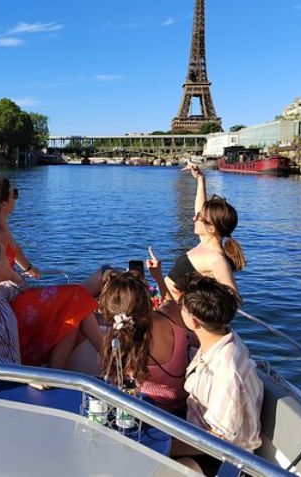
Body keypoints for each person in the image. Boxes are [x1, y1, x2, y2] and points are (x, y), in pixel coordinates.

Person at [0, 175, 104, 367]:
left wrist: (27, 267)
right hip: (8, 302)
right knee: (75, 297)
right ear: (3, 204)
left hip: (11, 295)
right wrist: (19, 274)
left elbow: (15, 249)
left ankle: (57, 372)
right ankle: (109, 356)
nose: (16, 199)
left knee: (73, 313)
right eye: (14, 195)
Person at [176, 273, 263, 455]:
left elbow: (218, 440)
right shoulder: (221, 338)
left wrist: (167, 448)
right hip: (194, 430)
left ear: (193, 321)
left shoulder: (225, 371)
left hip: (221, 458)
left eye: (181, 307)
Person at [98, 270, 188, 413]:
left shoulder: (121, 339)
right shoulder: (172, 316)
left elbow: (120, 383)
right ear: (148, 301)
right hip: (180, 404)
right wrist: (158, 277)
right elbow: (170, 301)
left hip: (144, 409)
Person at [155, 164, 245, 300]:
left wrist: (193, 302)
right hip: (163, 302)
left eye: (198, 217)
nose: (194, 218)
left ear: (211, 227)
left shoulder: (216, 259)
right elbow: (200, 208)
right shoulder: (206, 244)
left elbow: (233, 299)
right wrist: (200, 179)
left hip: (175, 315)